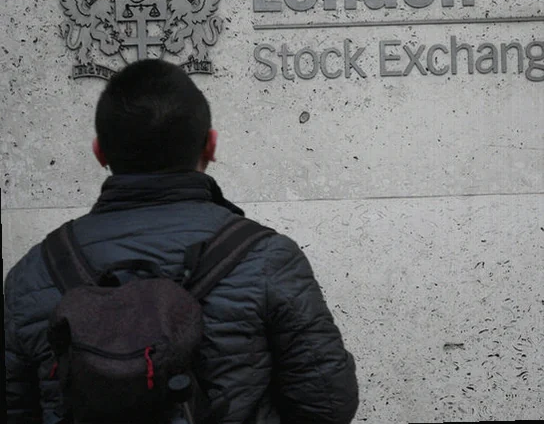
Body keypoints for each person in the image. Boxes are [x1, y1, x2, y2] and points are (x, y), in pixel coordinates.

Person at [4, 59, 359, 424]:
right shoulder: (268, 258)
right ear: (211, 145)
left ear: (99, 152)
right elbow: (329, 404)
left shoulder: (33, 273)